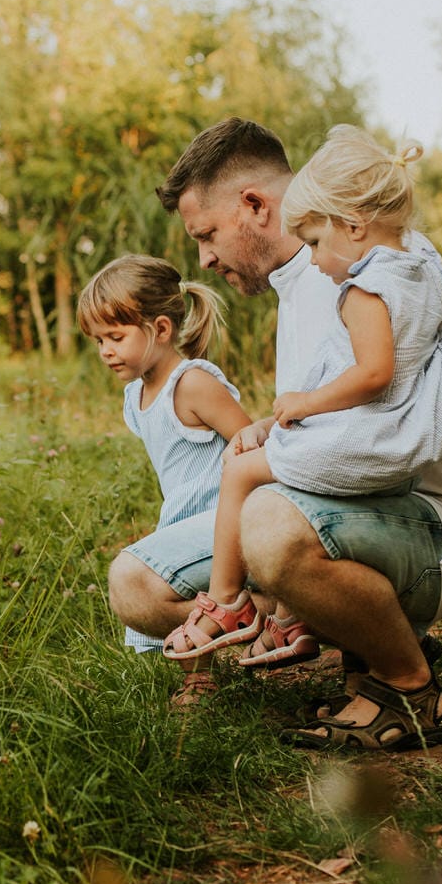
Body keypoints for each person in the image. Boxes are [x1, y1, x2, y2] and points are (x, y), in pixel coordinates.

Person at [109, 117, 442, 749]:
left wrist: (385, 403)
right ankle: (346, 625)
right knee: (135, 583)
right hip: (340, 506)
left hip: (438, 524)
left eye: (206, 235)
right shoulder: (303, 282)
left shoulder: (379, 258)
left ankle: (406, 683)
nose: (204, 259)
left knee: (268, 524)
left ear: (254, 205)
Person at [77, 254, 253, 661]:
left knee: (148, 581)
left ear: (159, 329)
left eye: (115, 337)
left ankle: (271, 611)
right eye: (99, 341)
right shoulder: (135, 396)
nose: (105, 351)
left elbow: (252, 445)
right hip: (182, 515)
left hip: (222, 518)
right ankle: (201, 677)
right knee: (177, 599)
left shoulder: (192, 384)